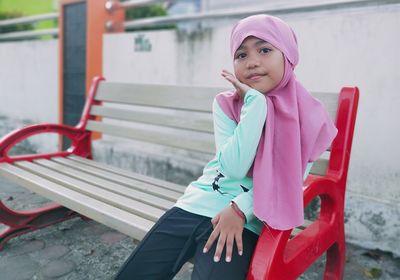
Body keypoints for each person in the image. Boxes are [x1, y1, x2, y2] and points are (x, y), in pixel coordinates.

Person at [115, 14, 337, 280]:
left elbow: (288, 180)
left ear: (288, 54)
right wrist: (256, 104)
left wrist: (239, 209)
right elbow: (233, 167)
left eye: (265, 50)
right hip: (196, 204)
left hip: (247, 218)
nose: (252, 62)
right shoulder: (226, 104)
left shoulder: (308, 117)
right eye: (241, 55)